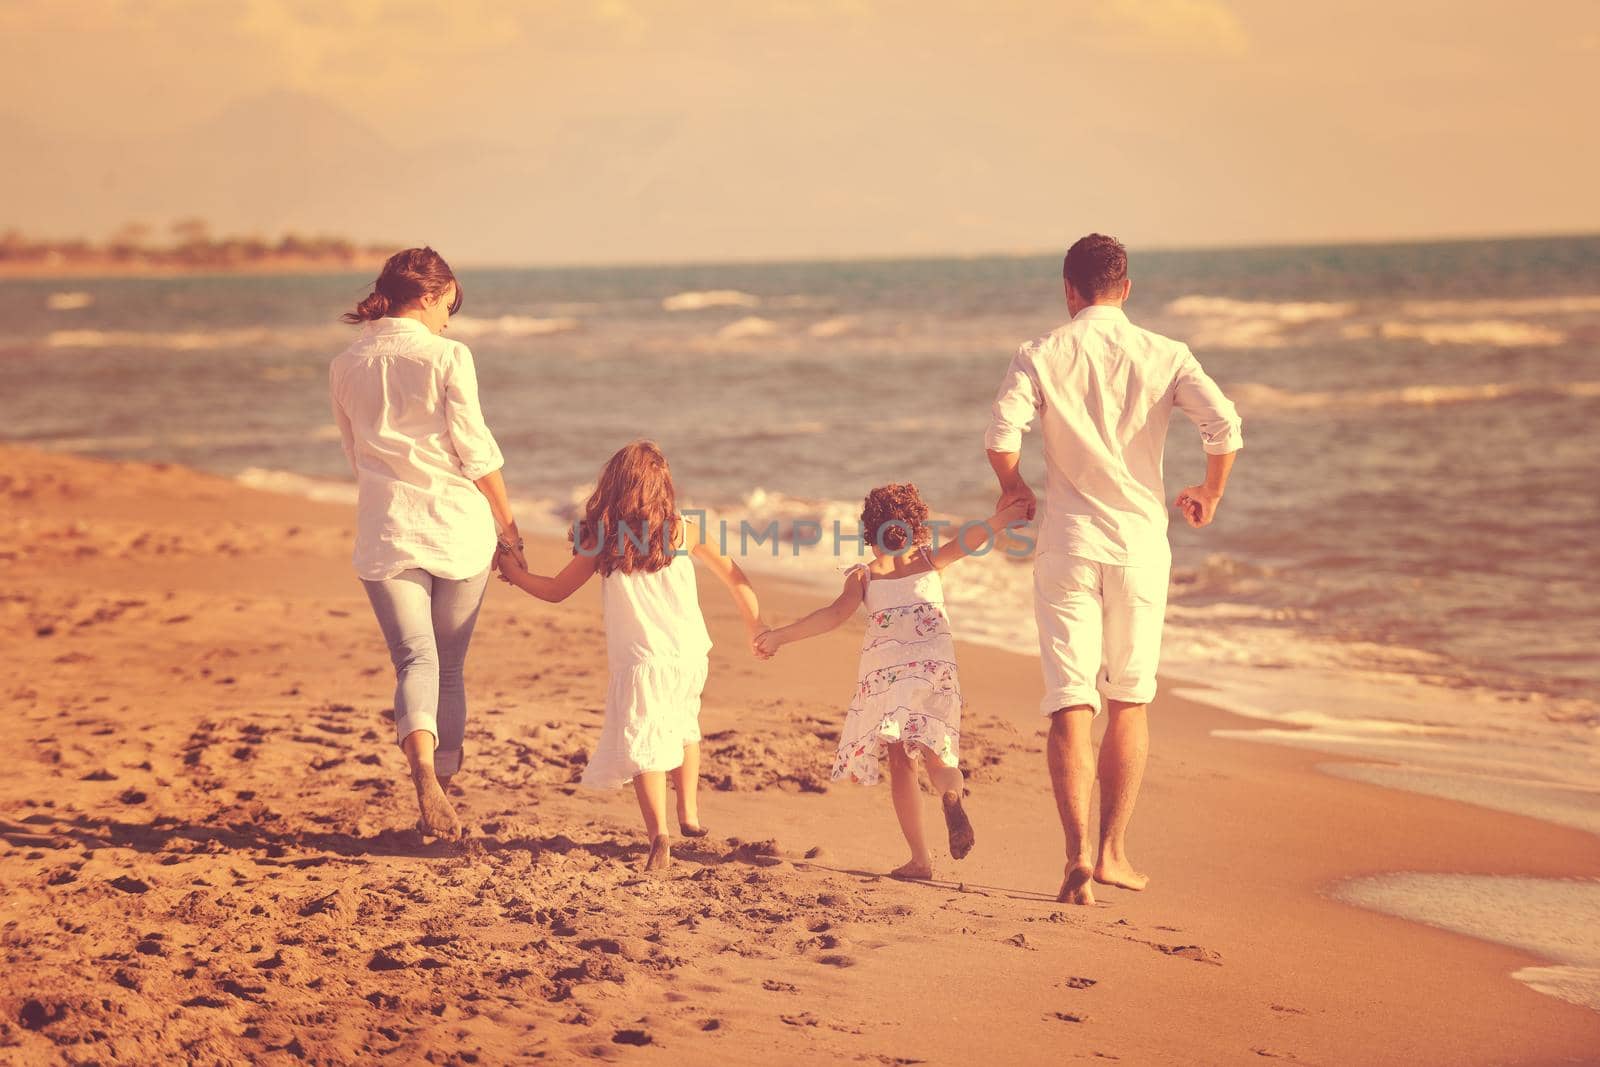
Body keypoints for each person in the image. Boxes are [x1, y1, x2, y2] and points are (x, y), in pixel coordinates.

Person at [984, 233, 1243, 905]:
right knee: (1129, 698)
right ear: (1126, 289)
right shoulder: (1167, 353)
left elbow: (1000, 436)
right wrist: (1210, 493)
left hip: (1067, 543)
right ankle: (1112, 852)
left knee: (1071, 699)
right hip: (1137, 548)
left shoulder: (1040, 354)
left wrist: (1013, 489)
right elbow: (1225, 426)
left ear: (1069, 290)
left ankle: (1073, 856)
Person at [493, 441, 766, 872]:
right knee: (683, 726)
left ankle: (659, 836)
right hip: (691, 654)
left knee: (646, 744)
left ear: (614, 486)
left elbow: (555, 591)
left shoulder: (604, 541)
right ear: (664, 486)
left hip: (642, 660)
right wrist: (756, 626)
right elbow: (735, 577)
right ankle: (689, 813)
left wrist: (512, 572)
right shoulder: (684, 531)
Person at [329, 247, 523, 841]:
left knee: (415, 659)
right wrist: (508, 527)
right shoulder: (448, 356)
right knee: (450, 667)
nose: (450, 319)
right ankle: (442, 776)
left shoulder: (346, 362)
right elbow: (476, 449)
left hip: (386, 528)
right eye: (450, 305)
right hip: (456, 526)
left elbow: (354, 454)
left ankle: (422, 773)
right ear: (433, 295)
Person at [756, 484, 1028, 881]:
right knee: (941, 756)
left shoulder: (864, 575)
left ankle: (920, 860)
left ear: (870, 531)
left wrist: (780, 635)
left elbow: (833, 615)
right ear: (917, 525)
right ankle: (950, 795)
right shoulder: (929, 559)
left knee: (902, 762)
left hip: (887, 677)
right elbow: (972, 538)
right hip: (935, 669)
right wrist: (1004, 517)